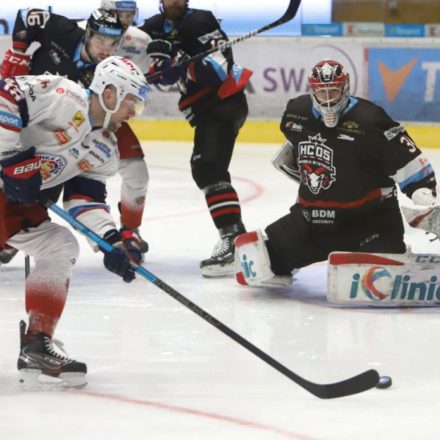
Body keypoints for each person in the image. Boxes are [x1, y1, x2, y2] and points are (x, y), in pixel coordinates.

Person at [0, 56, 148, 388]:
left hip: (9, 203)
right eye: (130, 103)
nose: (132, 113)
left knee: (60, 245)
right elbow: (6, 93)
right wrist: (8, 157)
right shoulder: (65, 96)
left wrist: (111, 242)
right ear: (109, 94)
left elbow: (85, 199)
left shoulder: (104, 148)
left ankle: (37, 342)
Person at [234, 59, 438, 288]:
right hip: (313, 222)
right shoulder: (296, 114)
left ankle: (388, 251)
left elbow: (410, 160)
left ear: (345, 87)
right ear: (313, 91)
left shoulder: (369, 120)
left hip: (367, 222)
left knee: (382, 279)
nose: (329, 98)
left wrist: (424, 193)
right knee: (260, 266)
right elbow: (294, 151)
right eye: (322, 92)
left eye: (334, 90)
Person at [0, 5, 151, 265]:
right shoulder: (63, 33)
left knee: (48, 184)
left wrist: (110, 240)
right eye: (101, 40)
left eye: (113, 43)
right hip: (18, 119)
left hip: (41, 141)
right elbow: (27, 16)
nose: (106, 49)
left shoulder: (102, 79)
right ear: (88, 33)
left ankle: (14, 230)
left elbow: (85, 193)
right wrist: (18, 53)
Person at [140, 0, 253, 277]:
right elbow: (141, 64)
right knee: (207, 168)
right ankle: (235, 238)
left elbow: (219, 70)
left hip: (224, 102)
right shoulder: (153, 27)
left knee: (208, 167)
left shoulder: (201, 22)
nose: (174, 1)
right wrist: (159, 68)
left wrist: (178, 60)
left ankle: (234, 240)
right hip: (205, 108)